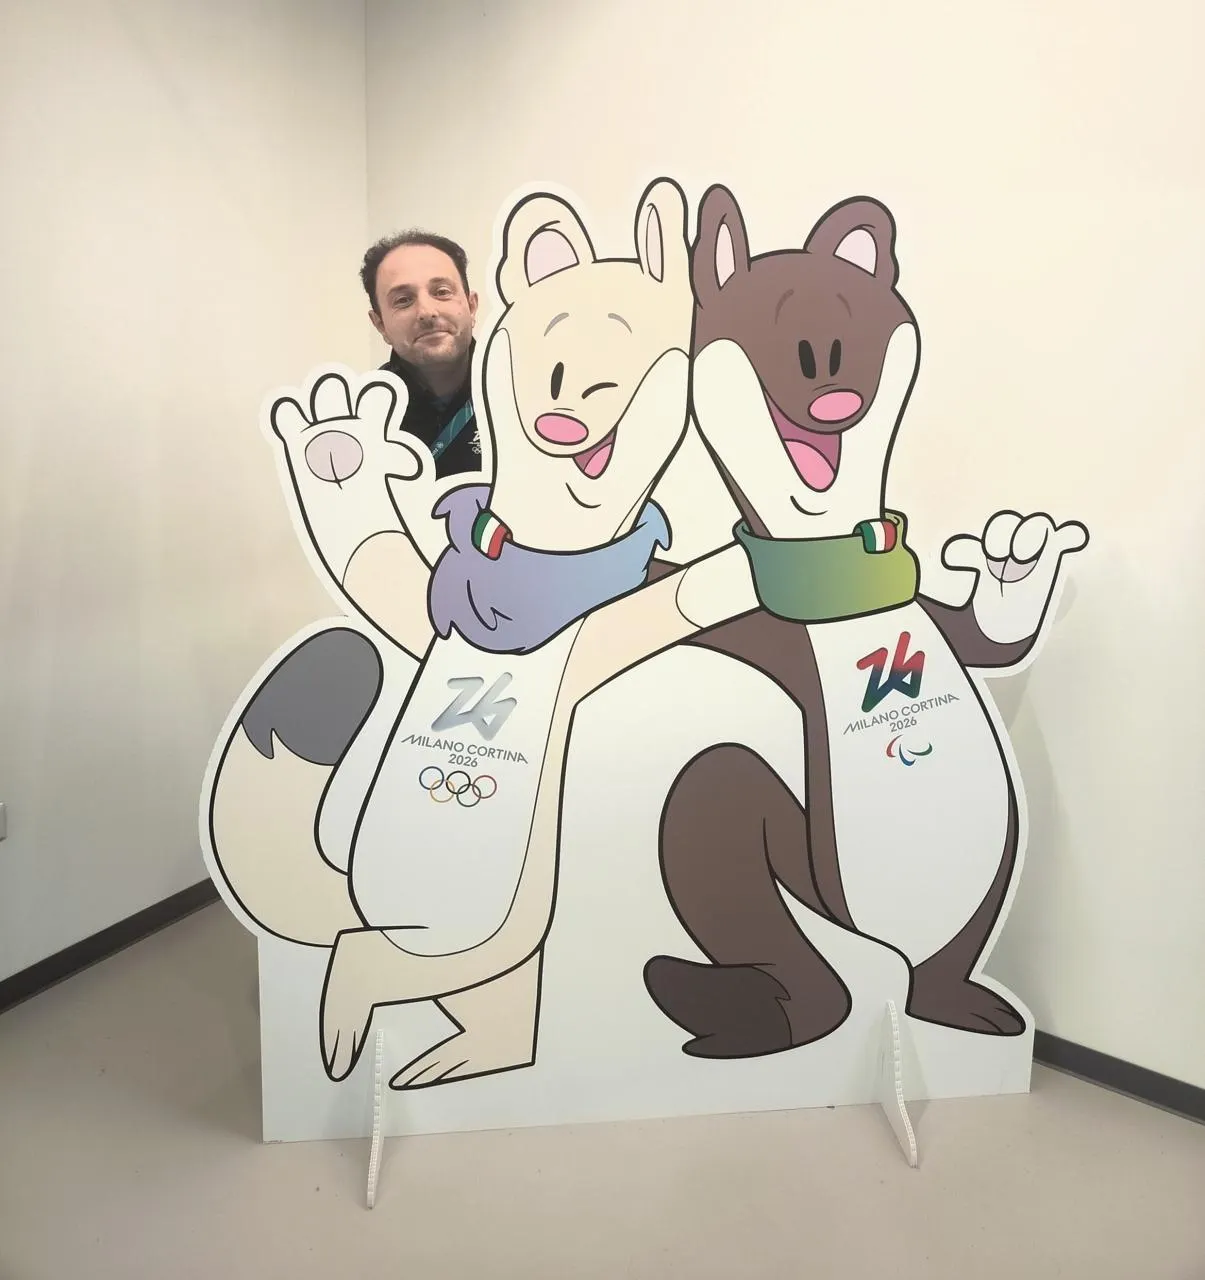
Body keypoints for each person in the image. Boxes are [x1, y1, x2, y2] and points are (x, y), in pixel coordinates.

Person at [359, 230, 483, 477]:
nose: (426, 312)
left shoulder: (527, 390)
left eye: (441, 292)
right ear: (380, 324)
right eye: (403, 300)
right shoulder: (363, 416)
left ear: (471, 306)